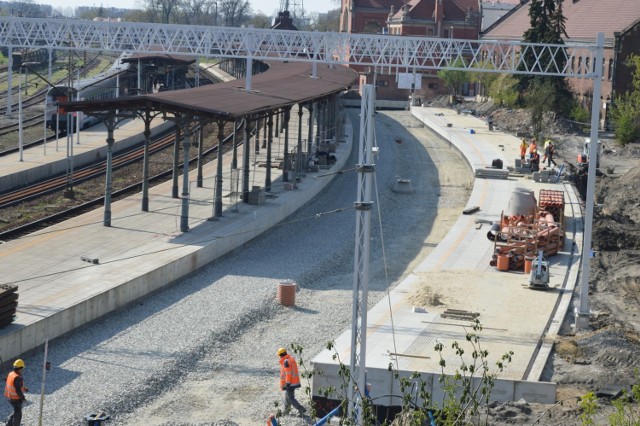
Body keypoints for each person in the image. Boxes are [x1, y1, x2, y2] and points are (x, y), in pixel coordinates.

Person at [277, 347, 307, 417]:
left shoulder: (286, 361)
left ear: (280, 355)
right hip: (293, 382)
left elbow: (288, 373)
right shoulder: (291, 359)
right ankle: (287, 411)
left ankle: (301, 409)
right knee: (287, 397)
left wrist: (287, 383)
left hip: (290, 383)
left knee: (291, 398)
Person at [5, 359, 28, 426]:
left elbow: (15, 385)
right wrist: (23, 399)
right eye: (22, 369)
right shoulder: (17, 378)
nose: (22, 370)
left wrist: (23, 388)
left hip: (10, 396)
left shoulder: (11, 374)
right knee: (18, 414)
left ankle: (9, 424)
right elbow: (18, 390)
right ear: (19, 369)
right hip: (15, 398)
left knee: (16, 411)